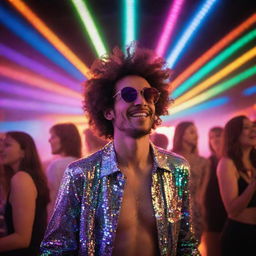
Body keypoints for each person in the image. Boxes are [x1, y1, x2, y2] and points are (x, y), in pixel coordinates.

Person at [40, 45, 199, 255]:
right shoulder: (80, 174)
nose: (141, 101)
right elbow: (55, 250)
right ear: (108, 111)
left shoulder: (177, 169)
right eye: (129, 94)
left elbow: (186, 246)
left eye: (148, 94)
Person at [0, 131, 50, 255]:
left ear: (23, 152)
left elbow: (22, 239)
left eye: (7, 145)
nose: (1, 149)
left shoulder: (21, 179)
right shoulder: (23, 177)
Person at [217, 115, 256, 255]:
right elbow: (232, 210)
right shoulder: (227, 163)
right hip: (241, 234)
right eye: (246, 128)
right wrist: (253, 185)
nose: (253, 130)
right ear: (234, 134)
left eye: (253, 127)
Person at [172, 121, 209, 242]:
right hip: (173, 209)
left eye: (196, 132)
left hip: (194, 211)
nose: (196, 135)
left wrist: (202, 215)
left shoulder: (204, 162)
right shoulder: (170, 158)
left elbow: (200, 195)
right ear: (181, 134)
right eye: (192, 132)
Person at [46, 123, 82, 219]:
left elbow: (54, 200)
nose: (49, 140)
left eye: (53, 137)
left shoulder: (57, 165)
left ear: (65, 139)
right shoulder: (81, 164)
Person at [204, 127, 226, 256]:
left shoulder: (234, 161)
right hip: (212, 217)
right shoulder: (208, 162)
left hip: (232, 215)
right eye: (211, 137)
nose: (215, 139)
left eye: (218, 135)